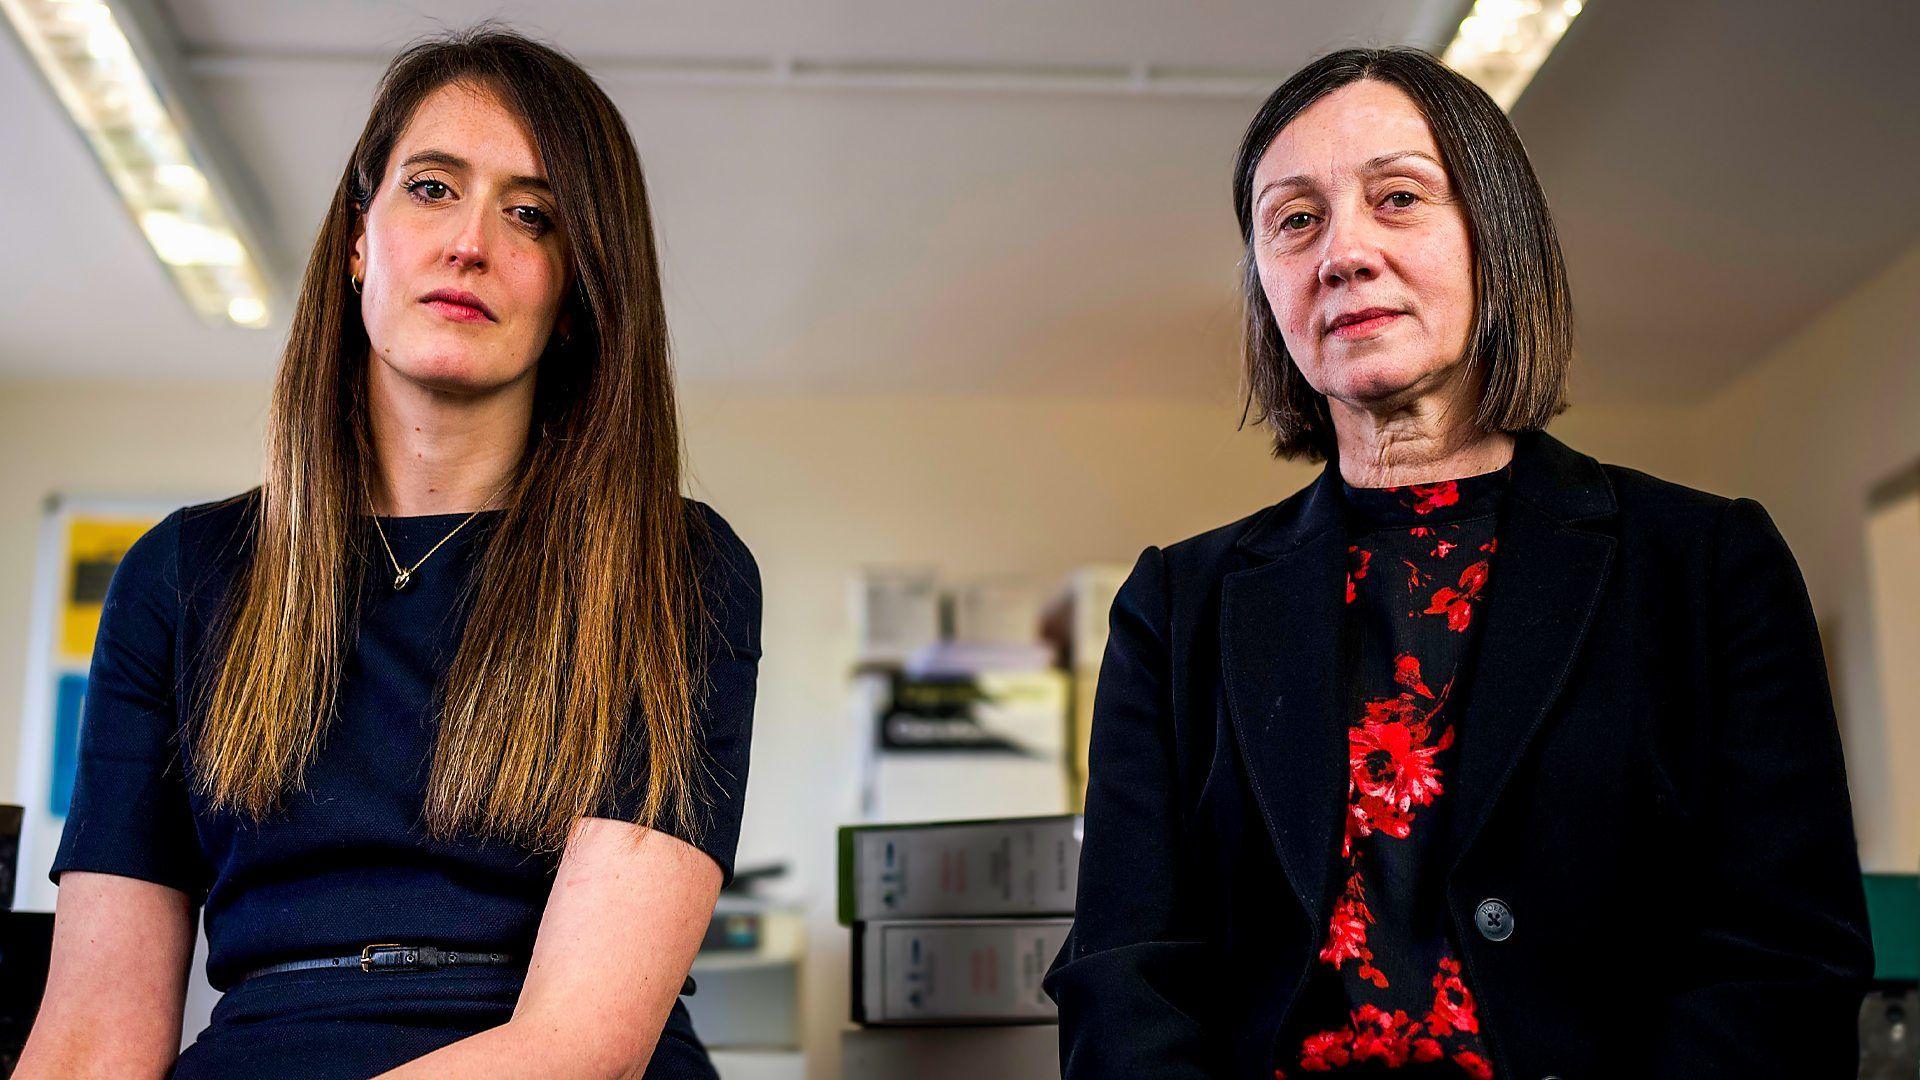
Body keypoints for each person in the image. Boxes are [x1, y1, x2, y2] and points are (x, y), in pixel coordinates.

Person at [1045, 47, 1872, 1078]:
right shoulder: (1176, 607)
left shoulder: (1710, 569)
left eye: (1397, 197)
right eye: (1294, 219)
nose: (1342, 253)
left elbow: (1783, 967)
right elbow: (1124, 977)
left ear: (1499, 235)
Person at [16, 26, 760, 1079]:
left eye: (532, 214)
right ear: (359, 239)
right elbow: (93, 1037)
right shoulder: (181, 576)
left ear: (576, 290)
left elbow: (577, 1046)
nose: (471, 242)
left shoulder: (671, 568)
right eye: (430, 188)